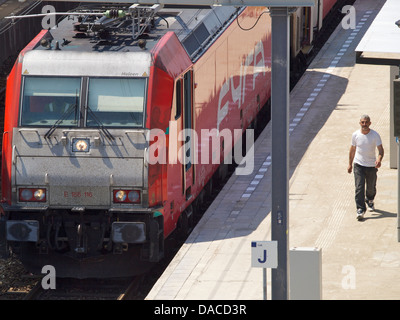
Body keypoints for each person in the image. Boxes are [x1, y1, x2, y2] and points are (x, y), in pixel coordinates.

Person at [348, 115, 384, 221]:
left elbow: (381, 150)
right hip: (358, 165)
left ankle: (370, 200)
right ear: (360, 123)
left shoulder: (375, 135)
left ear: (370, 123)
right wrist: (350, 164)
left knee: (371, 187)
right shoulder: (355, 135)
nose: (364, 124)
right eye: (362, 122)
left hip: (371, 166)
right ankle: (360, 209)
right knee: (359, 188)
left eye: (366, 122)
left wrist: (379, 160)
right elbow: (352, 150)